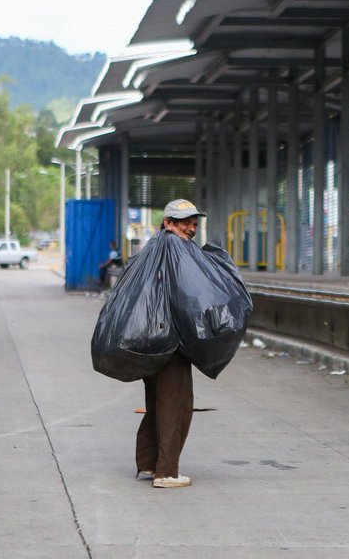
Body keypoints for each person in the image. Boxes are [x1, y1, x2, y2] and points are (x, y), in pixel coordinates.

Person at [137, 198, 205, 489]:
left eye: (193, 222)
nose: (190, 228)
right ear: (167, 223)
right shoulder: (175, 249)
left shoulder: (151, 249)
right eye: (184, 222)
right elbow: (192, 292)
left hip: (147, 339)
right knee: (176, 404)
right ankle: (166, 473)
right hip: (170, 340)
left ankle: (150, 463)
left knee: (156, 403)